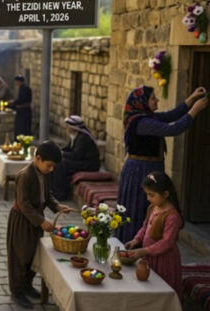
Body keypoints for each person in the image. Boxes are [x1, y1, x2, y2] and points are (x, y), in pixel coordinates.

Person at [116, 86, 207, 243]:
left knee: (147, 209)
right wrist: (195, 110)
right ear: (142, 103)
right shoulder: (142, 122)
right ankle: (134, 246)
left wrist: (191, 99)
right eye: (153, 98)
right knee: (139, 208)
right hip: (140, 171)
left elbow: (171, 115)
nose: (157, 100)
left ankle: (147, 247)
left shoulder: (148, 117)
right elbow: (173, 129)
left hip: (147, 169)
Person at [6, 141, 71, 309]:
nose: (51, 169)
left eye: (53, 167)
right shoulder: (25, 175)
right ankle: (17, 290)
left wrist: (57, 206)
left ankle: (27, 285)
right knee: (20, 256)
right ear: (38, 158)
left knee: (33, 253)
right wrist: (41, 221)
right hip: (22, 220)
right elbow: (23, 204)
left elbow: (47, 195)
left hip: (35, 220)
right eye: (49, 165)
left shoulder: (45, 173)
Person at [124, 172, 183, 294]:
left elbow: (167, 243)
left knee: (162, 287)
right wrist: (136, 240)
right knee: (150, 285)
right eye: (147, 194)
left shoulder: (172, 217)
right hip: (150, 256)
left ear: (165, 194)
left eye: (152, 195)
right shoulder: (152, 208)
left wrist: (144, 251)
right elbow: (145, 227)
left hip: (164, 260)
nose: (148, 198)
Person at [51, 116, 100, 201]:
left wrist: (62, 154)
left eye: (68, 126)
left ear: (73, 127)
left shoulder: (83, 138)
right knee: (56, 161)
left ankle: (59, 194)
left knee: (61, 164)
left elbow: (77, 155)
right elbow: (67, 149)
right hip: (80, 161)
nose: (66, 128)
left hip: (88, 164)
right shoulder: (75, 136)